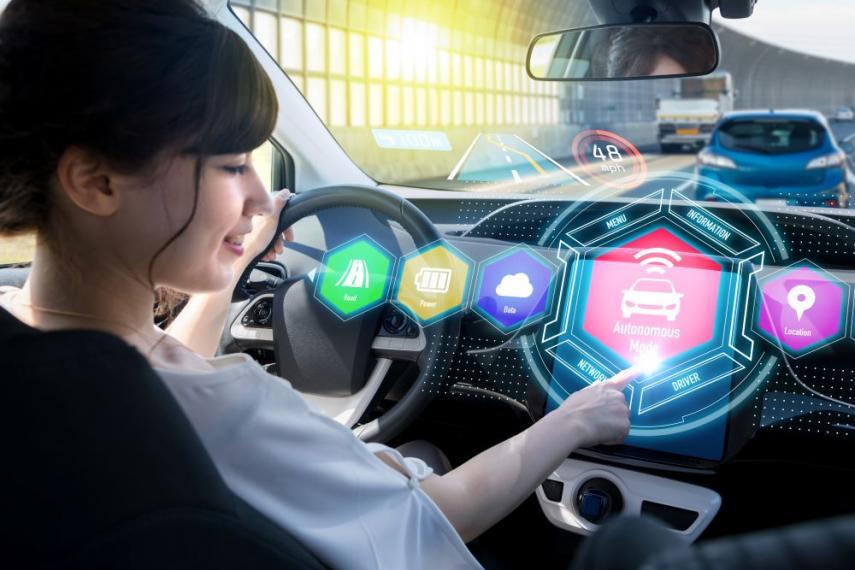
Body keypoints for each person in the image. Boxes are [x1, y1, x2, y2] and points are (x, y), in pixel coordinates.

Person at [0, 1, 634, 568]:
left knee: (410, 453)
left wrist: (230, 270)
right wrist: (576, 420)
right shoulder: (232, 409)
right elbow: (442, 515)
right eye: (230, 166)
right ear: (95, 182)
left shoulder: (40, 360)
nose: (254, 197)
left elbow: (156, 368)